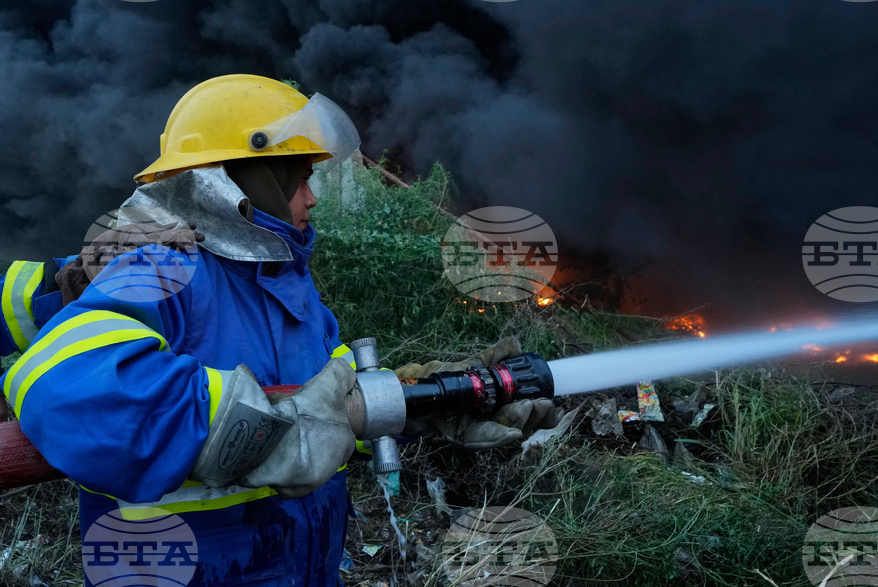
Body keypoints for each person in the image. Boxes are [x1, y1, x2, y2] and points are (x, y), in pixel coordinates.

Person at [0, 74, 561, 586]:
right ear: (244, 178)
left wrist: (431, 401)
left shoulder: (284, 285)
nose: (312, 198)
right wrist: (250, 429)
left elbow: (328, 406)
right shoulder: (165, 269)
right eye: (300, 179)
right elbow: (64, 384)